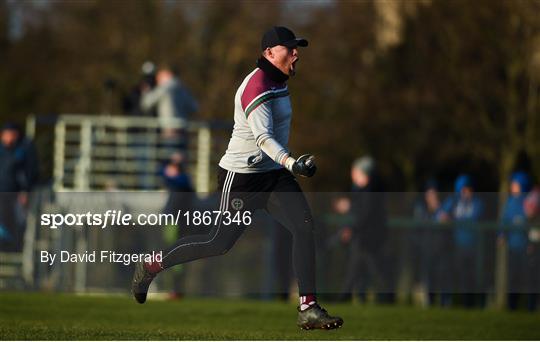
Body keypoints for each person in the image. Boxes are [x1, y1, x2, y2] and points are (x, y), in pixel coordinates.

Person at [131, 26, 343, 330]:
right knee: (218, 243)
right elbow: (263, 138)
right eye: (289, 48)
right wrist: (293, 163)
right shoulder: (256, 86)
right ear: (269, 53)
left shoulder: (279, 80)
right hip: (241, 178)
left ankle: (308, 307)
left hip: (272, 175)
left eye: (297, 48)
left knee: (305, 227)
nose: (296, 53)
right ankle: (150, 265)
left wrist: (285, 166)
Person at [339, 156, 391, 303]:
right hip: (366, 236)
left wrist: (351, 228)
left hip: (367, 237)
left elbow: (364, 215)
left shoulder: (368, 191)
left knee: (371, 268)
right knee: (360, 267)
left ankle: (346, 295)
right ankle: (349, 295)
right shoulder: (367, 190)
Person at [439, 174, 484, 307]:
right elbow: (441, 215)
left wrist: (453, 220)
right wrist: (445, 217)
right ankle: (455, 304)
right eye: (463, 189)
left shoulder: (477, 202)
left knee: (472, 278)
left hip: (474, 247)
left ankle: (473, 305)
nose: (466, 192)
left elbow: (475, 218)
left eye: (468, 189)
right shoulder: (453, 200)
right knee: (456, 276)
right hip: (457, 246)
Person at [0, 123, 38, 252]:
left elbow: (28, 172)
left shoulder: (23, 149)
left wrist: (25, 191)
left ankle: (13, 245)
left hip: (13, 193)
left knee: (16, 220)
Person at [499, 171, 534, 310]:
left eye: (515, 184)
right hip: (513, 247)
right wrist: (502, 235)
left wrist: (532, 243)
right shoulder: (510, 202)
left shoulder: (530, 202)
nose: (512, 187)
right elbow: (504, 221)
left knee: (529, 280)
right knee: (513, 279)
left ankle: (531, 308)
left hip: (526, 248)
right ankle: (511, 307)